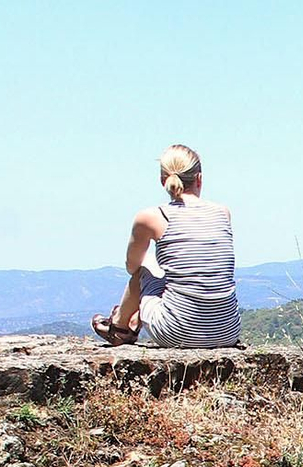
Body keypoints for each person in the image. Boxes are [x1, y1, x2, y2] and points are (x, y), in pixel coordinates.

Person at [92, 144, 240, 347]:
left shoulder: (151, 217)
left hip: (177, 333)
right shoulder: (222, 212)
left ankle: (119, 327)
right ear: (199, 179)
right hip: (227, 332)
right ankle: (138, 318)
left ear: (163, 181)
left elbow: (132, 267)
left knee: (145, 270)